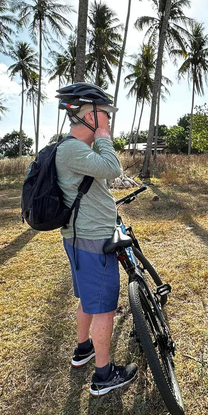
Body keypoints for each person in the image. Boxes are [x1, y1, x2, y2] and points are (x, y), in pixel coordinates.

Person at [55, 83, 138, 397]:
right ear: (89, 114)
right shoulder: (73, 149)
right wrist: (104, 136)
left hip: (80, 238)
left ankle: (83, 350)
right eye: (105, 115)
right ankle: (104, 375)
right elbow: (113, 168)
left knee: (88, 299)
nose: (109, 121)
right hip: (92, 241)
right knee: (104, 308)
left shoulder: (73, 149)